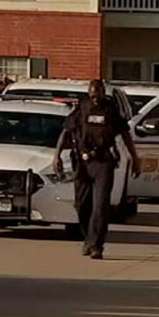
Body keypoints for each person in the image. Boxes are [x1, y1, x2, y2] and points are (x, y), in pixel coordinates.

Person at [52, 79, 140, 259]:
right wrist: (57, 155)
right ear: (89, 93)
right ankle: (88, 237)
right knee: (82, 204)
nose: (95, 99)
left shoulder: (111, 110)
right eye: (92, 95)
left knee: (100, 206)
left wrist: (134, 158)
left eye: (98, 94)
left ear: (102, 92)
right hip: (83, 162)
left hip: (103, 161)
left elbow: (125, 134)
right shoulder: (81, 108)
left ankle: (96, 245)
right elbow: (66, 131)